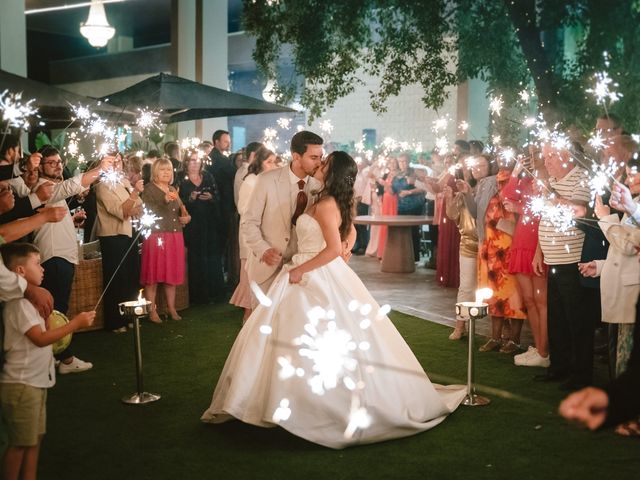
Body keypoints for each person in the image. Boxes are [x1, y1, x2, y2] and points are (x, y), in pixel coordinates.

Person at [201, 151, 466, 449]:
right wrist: (342, 248)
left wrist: (308, 266)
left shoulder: (326, 204)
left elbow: (330, 249)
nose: (319, 165)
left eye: (324, 163)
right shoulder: (323, 197)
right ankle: (275, 402)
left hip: (313, 272)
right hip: (305, 270)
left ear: (332, 172)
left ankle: (317, 408)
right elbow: (347, 232)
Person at [0, 242, 95, 480]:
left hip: (36, 382)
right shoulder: (19, 304)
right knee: (20, 443)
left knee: (34, 438)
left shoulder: (34, 302)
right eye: (37, 263)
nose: (42, 268)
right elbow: (40, 339)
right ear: (20, 272)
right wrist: (75, 324)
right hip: (21, 384)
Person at [241, 131, 324, 307]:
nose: (319, 163)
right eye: (314, 157)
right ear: (296, 156)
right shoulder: (266, 180)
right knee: (261, 326)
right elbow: (248, 222)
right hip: (266, 268)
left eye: (320, 157)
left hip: (301, 269)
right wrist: (263, 250)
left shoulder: (320, 186)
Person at [94, 154, 144, 332]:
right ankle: (115, 321)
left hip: (130, 233)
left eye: (119, 161)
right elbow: (122, 211)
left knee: (131, 276)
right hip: (113, 235)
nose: (117, 164)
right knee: (116, 278)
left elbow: (138, 207)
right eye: (112, 161)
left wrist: (133, 202)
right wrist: (135, 193)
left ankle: (130, 315)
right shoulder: (102, 186)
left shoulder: (123, 181)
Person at [140, 158, 191, 322]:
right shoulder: (148, 189)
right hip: (156, 236)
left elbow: (181, 210)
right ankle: (152, 311)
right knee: (153, 275)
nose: (167, 173)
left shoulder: (172, 189)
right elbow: (146, 211)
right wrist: (164, 201)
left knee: (171, 274)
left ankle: (171, 308)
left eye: (169, 170)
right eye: (163, 170)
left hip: (174, 235)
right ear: (155, 172)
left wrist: (186, 218)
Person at [230, 146, 277, 322]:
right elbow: (243, 208)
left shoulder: (267, 180)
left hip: (267, 232)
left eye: (274, 162)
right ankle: (248, 315)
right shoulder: (250, 181)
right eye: (269, 162)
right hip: (251, 234)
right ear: (259, 163)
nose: (273, 166)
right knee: (250, 274)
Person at [178, 149, 224, 304]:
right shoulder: (181, 179)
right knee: (196, 258)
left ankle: (215, 293)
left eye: (197, 160)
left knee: (212, 256)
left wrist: (211, 197)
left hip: (209, 223)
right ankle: (198, 295)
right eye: (191, 160)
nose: (195, 163)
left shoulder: (208, 176)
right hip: (193, 224)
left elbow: (218, 196)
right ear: (185, 162)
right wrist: (190, 198)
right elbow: (177, 202)